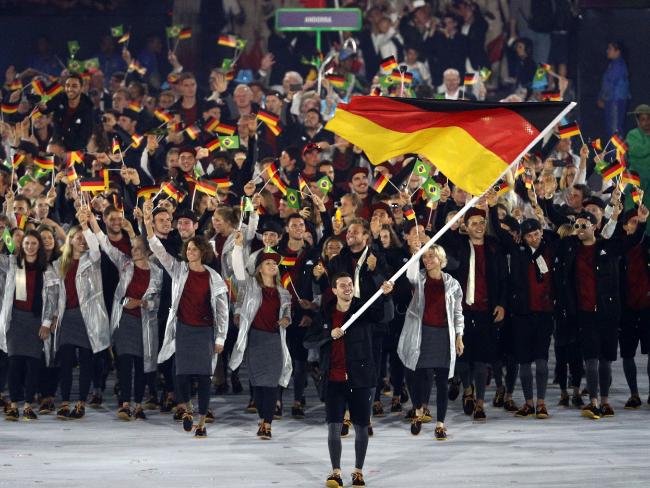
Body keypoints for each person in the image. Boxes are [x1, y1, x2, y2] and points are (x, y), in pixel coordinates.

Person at [143, 199, 229, 438]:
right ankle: (187, 408)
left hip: (204, 331)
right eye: (188, 249)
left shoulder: (213, 277)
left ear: (203, 252)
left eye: (194, 249)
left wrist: (220, 338)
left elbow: (222, 310)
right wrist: (147, 223)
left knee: (204, 376)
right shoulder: (179, 269)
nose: (189, 252)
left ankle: (202, 421)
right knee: (180, 372)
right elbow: (158, 249)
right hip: (183, 329)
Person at [304, 272, 386, 488]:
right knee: (334, 427)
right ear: (334, 290)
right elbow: (308, 342)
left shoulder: (363, 310)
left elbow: (383, 317)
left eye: (350, 284)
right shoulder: (325, 314)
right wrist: (328, 335)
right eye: (342, 285)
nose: (348, 288)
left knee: (361, 427)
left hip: (360, 379)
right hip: (333, 379)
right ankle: (336, 472)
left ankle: (358, 471)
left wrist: (386, 296)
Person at [88, 216, 162, 421]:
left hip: (146, 323)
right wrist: (92, 222)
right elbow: (105, 243)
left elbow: (158, 301)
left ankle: (138, 404)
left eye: (138, 248)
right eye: (133, 247)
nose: (134, 250)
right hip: (125, 321)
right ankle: (125, 404)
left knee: (141, 365)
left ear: (147, 251)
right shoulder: (125, 263)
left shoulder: (157, 272)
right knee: (125, 362)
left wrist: (143, 303)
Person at [389, 244, 464, 440]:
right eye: (425, 257)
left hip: (443, 336)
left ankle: (440, 424)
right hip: (422, 334)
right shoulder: (419, 278)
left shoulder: (452, 284)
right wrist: (415, 255)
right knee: (417, 376)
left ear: (441, 259)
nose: (427, 260)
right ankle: (418, 410)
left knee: (442, 381)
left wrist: (459, 336)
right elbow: (410, 275)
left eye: (432, 256)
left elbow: (458, 313)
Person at [230, 240, 292, 439]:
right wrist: (238, 246)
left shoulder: (284, 293)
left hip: (274, 341)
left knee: (272, 384)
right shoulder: (250, 286)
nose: (273, 266)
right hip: (255, 340)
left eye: (274, 263)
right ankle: (263, 418)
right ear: (259, 268)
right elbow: (237, 268)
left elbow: (288, 314)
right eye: (268, 263)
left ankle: (267, 423)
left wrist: (286, 319)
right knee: (258, 384)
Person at [54, 208, 111, 420]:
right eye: (78, 238)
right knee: (66, 362)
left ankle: (80, 403)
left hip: (88, 317)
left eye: (84, 238)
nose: (82, 241)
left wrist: (86, 224)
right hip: (67, 317)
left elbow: (96, 245)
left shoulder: (93, 259)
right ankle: (65, 402)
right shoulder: (59, 264)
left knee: (86, 361)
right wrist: (52, 318)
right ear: (70, 239)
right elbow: (53, 295)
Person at [0, 230, 59, 421]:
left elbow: (52, 299)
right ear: (22, 245)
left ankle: (27, 405)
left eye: (34, 243)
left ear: (39, 246)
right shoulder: (13, 263)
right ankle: (13, 405)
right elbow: (8, 242)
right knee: (14, 364)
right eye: (26, 243)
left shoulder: (47, 269)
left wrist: (47, 323)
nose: (30, 247)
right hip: (15, 320)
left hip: (36, 321)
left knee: (33, 364)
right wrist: (6, 221)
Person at [598, 41, 630, 138]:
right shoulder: (614, 64)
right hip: (613, 101)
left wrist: (602, 98)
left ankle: (615, 148)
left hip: (615, 101)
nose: (607, 51)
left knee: (614, 130)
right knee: (614, 129)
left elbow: (609, 84)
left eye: (610, 49)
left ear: (617, 52)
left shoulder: (618, 65)